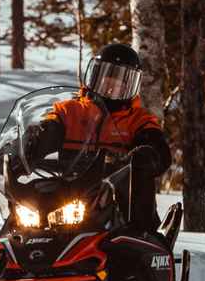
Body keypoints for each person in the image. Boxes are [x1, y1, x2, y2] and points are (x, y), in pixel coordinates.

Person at [29, 42, 170, 233]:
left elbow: (158, 148)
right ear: (94, 77)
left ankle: (143, 236)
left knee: (136, 194)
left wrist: (148, 155)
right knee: (27, 217)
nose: (111, 89)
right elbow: (46, 131)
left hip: (116, 200)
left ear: (131, 86)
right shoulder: (69, 111)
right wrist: (28, 145)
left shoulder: (138, 120)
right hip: (69, 196)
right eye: (107, 81)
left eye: (120, 84)